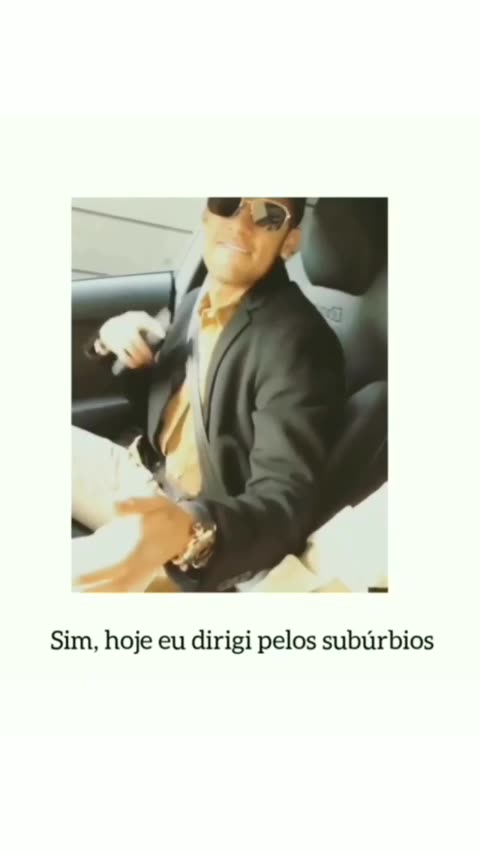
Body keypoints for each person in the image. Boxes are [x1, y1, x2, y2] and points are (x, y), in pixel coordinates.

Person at [72, 198, 345, 593]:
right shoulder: (197, 301)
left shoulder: (300, 342)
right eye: (228, 203)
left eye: (269, 215)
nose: (241, 224)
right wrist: (115, 343)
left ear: (289, 242)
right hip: (142, 473)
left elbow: (284, 502)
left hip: (194, 525)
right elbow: (167, 412)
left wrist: (192, 528)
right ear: (206, 215)